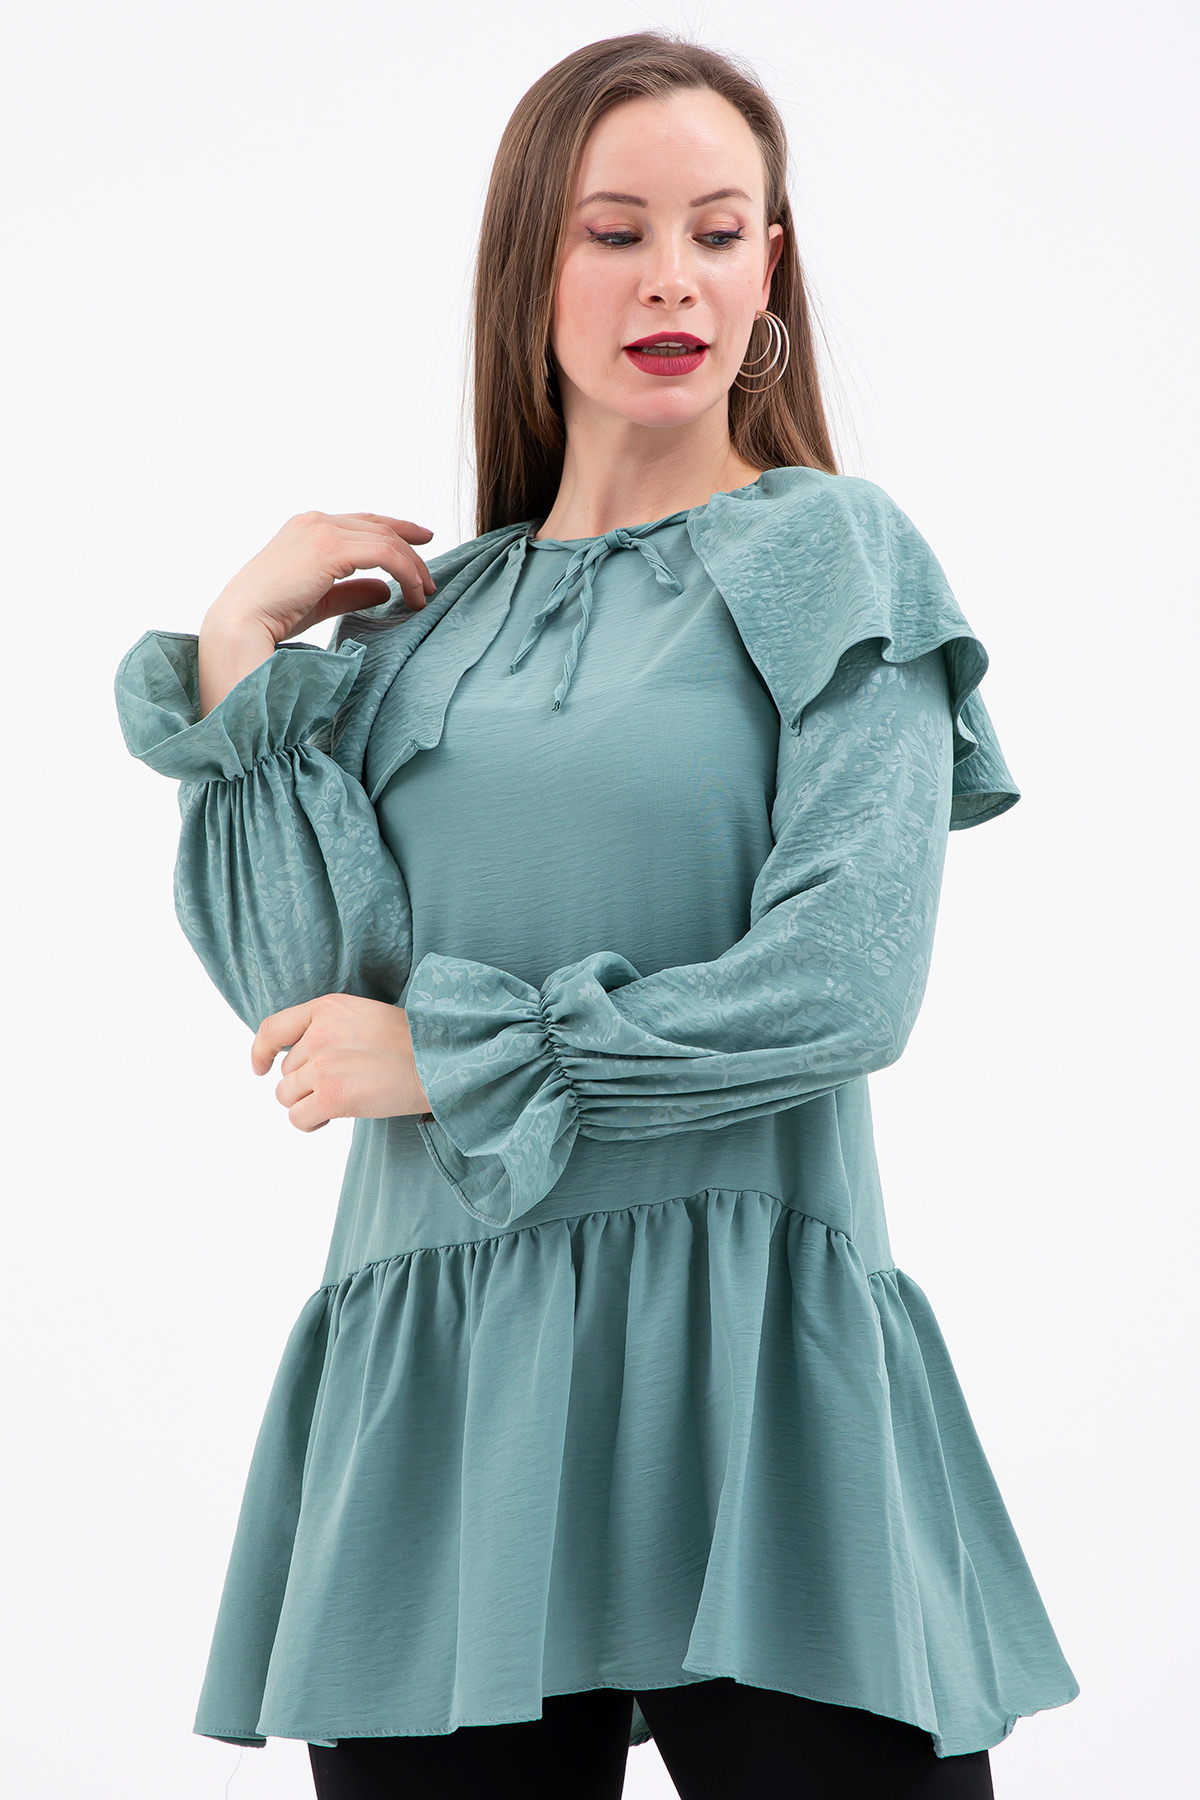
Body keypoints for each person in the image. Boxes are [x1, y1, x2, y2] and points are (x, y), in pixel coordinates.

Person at [113, 31, 1079, 1800]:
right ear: (529, 266)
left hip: (758, 1385)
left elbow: (846, 984)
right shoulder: (413, 630)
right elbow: (303, 1005)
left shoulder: (835, 553)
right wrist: (245, 649)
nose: (671, 280)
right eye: (614, 231)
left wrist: (459, 1056)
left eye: (718, 232)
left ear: (770, 269)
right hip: (444, 1400)